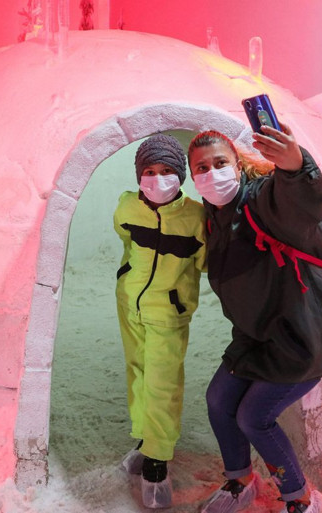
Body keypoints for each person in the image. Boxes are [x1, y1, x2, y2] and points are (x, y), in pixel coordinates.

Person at [188, 125, 322, 513]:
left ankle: (300, 498)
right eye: (201, 167)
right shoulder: (215, 216)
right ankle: (240, 481)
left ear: (237, 164)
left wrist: (295, 167)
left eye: (220, 163)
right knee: (218, 401)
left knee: (254, 417)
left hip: (304, 334)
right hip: (258, 335)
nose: (212, 173)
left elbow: (298, 202)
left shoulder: (261, 199)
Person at [113, 133, 206, 509]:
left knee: (162, 382)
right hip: (130, 306)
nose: (157, 178)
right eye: (149, 171)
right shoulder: (127, 208)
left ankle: (158, 459)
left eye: (167, 170)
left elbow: (207, 264)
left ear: (180, 175)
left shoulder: (196, 218)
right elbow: (125, 240)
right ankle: (146, 439)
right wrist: (126, 278)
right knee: (137, 372)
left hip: (168, 312)